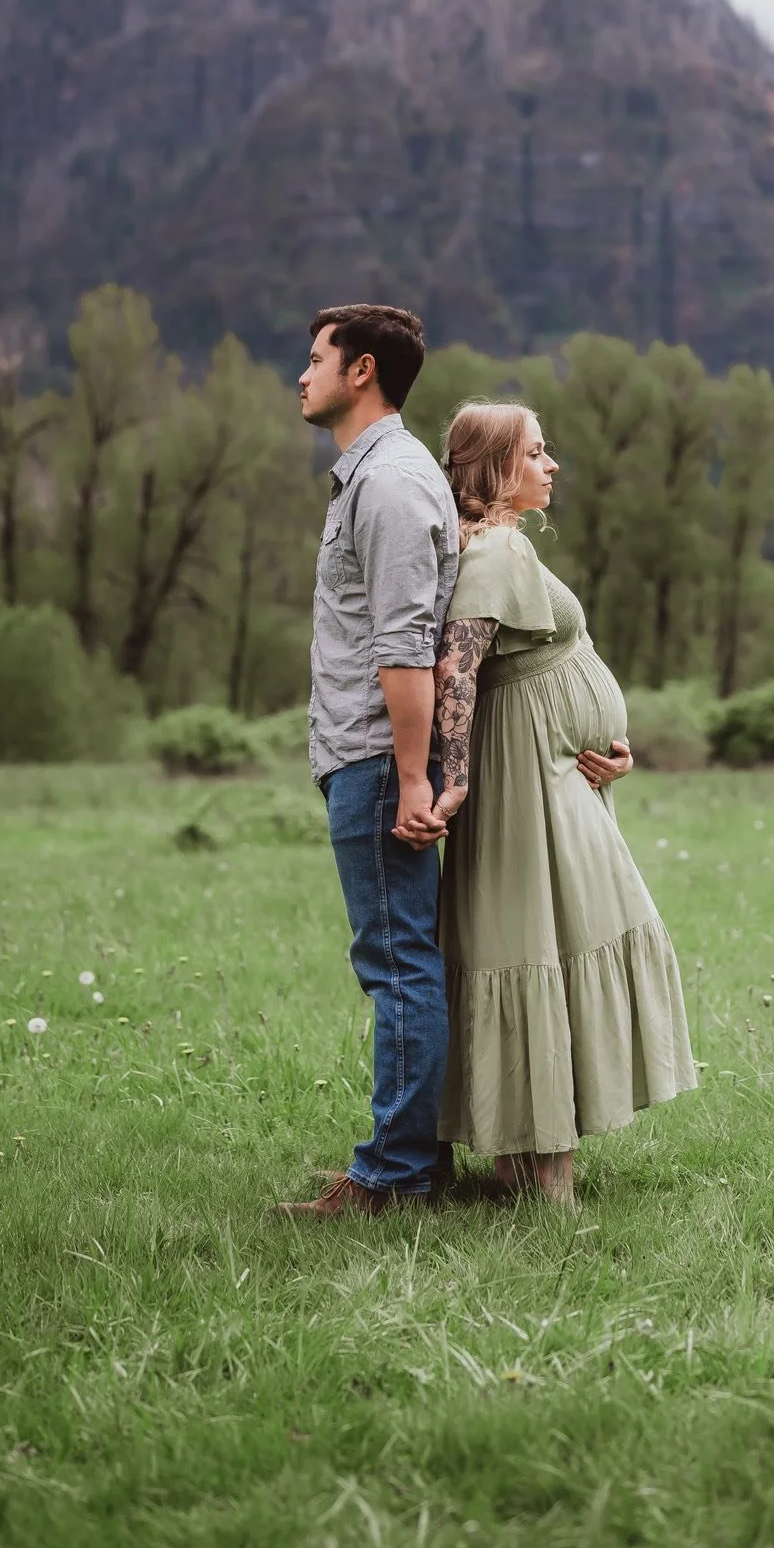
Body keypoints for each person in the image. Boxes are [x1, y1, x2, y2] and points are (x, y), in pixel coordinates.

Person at [432, 401, 697, 1206]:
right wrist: (453, 779)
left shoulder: (500, 547)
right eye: (536, 453)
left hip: (552, 775)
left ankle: (528, 1167)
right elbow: (457, 672)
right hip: (525, 789)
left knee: (548, 940)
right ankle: (548, 1183)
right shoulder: (498, 550)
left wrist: (603, 743)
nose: (551, 466)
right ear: (495, 469)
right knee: (544, 942)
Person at [274, 304, 460, 1219]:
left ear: (362, 372)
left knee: (397, 964)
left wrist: (414, 775)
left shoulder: (387, 485)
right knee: (399, 959)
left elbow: (405, 644)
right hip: (371, 753)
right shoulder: (374, 478)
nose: (299, 376)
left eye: (314, 360)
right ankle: (408, 1160)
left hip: (381, 757)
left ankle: (394, 1176)